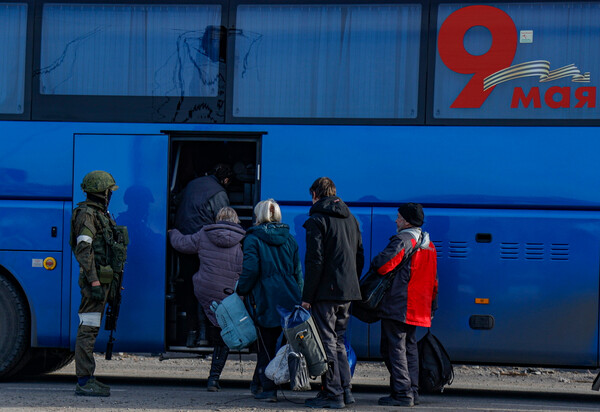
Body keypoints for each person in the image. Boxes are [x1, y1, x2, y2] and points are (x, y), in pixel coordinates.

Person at [302, 177, 364, 409]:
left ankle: (333, 393)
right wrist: (351, 282)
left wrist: (307, 296)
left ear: (316, 195)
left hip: (326, 292)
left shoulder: (317, 220)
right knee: (338, 340)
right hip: (348, 291)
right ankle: (345, 389)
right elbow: (359, 255)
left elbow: (314, 261)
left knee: (326, 340)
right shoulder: (352, 219)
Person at [168, 207, 245, 391]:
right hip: (229, 294)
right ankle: (213, 378)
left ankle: (201, 333)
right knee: (222, 334)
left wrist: (172, 232)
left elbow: (182, 244)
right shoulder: (242, 239)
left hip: (205, 289)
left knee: (202, 298)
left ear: (217, 218)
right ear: (236, 220)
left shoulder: (204, 234)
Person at [236, 199, 303, 403]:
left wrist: (241, 290)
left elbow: (250, 270)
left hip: (265, 297)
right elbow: (297, 273)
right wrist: (300, 297)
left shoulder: (253, 239)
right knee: (285, 345)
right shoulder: (290, 239)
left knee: (265, 344)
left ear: (259, 215)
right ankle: (263, 384)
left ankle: (268, 389)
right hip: (290, 297)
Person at [371, 203, 438, 407]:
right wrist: (432, 307)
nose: (396, 220)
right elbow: (435, 281)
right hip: (418, 306)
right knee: (409, 348)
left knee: (393, 348)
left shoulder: (404, 240)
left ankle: (402, 393)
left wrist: (376, 259)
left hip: (399, 304)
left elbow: (382, 266)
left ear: (407, 221)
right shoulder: (429, 244)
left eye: (399, 217)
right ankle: (413, 391)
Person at [70, 170, 128, 397]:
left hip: (102, 282)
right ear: (102, 192)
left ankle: (88, 378)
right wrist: (94, 281)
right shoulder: (87, 215)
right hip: (94, 283)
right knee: (88, 329)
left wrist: (110, 282)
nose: (110, 195)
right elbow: (84, 249)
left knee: (91, 329)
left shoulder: (100, 214)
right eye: (109, 191)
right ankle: (84, 381)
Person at [173, 163, 234, 347]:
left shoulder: (192, 184)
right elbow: (224, 221)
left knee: (189, 290)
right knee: (207, 293)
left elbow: (176, 201)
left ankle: (191, 334)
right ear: (226, 180)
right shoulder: (219, 193)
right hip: (205, 250)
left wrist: (172, 233)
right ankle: (206, 335)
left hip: (185, 245)